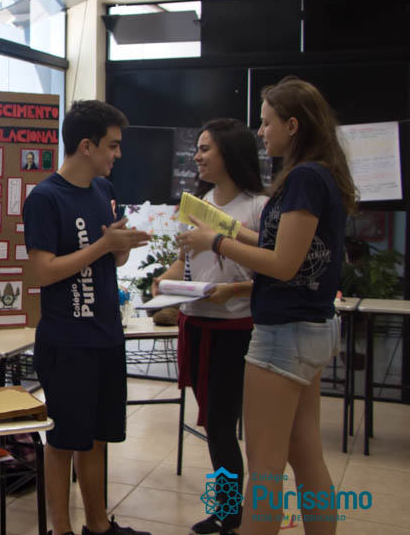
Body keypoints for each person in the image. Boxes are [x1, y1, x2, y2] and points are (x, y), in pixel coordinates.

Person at [179, 77, 355, 535]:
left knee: (264, 467)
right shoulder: (319, 174)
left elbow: (282, 264)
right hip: (310, 328)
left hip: (283, 333)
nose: (261, 131)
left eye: (267, 122)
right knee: (304, 454)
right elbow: (281, 245)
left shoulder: (303, 178)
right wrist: (223, 230)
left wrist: (216, 242)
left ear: (293, 126)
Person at [24, 100, 151, 535]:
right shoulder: (45, 198)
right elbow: (43, 271)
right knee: (63, 440)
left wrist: (121, 244)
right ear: (86, 146)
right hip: (67, 342)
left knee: (97, 437)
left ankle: (98, 525)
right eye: (112, 145)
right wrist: (103, 246)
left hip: (106, 335)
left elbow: (113, 259)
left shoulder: (103, 190)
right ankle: (60, 529)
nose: (118, 154)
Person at [152, 118, 267, 535]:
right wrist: (164, 280)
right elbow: (186, 261)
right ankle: (229, 510)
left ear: (229, 154)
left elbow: (273, 272)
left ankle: (231, 513)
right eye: (197, 149)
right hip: (196, 324)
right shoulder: (199, 203)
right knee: (215, 427)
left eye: (205, 149)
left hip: (234, 331)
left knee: (220, 425)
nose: (197, 157)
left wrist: (232, 290)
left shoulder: (258, 207)